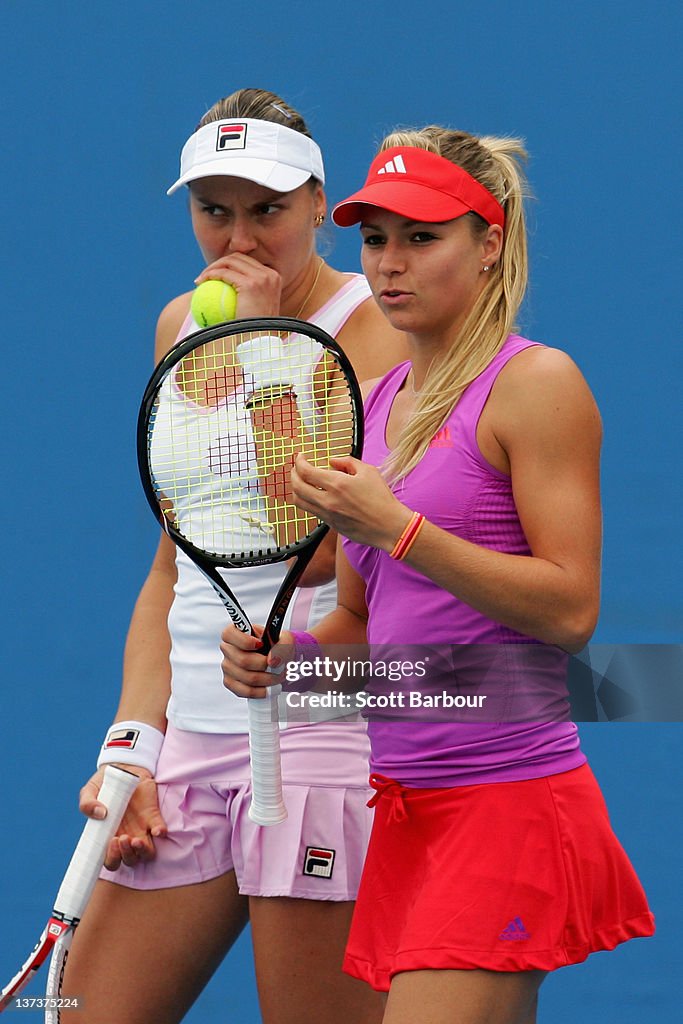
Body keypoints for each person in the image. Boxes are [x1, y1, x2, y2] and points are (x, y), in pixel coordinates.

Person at [221, 127, 655, 1024]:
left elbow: (571, 609)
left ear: (489, 244)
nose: (390, 264)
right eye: (375, 239)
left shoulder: (535, 383)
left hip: (508, 803)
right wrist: (287, 661)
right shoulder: (372, 406)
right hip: (408, 810)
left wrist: (402, 529)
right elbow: (361, 623)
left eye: (422, 238)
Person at [60, 89, 407, 1024]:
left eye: (267, 211)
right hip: (193, 739)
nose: (238, 238)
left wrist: (260, 357)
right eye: (214, 210)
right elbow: (175, 566)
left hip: (319, 730)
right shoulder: (181, 326)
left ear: (316, 205)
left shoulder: (376, 328)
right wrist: (132, 749)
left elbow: (335, 549)